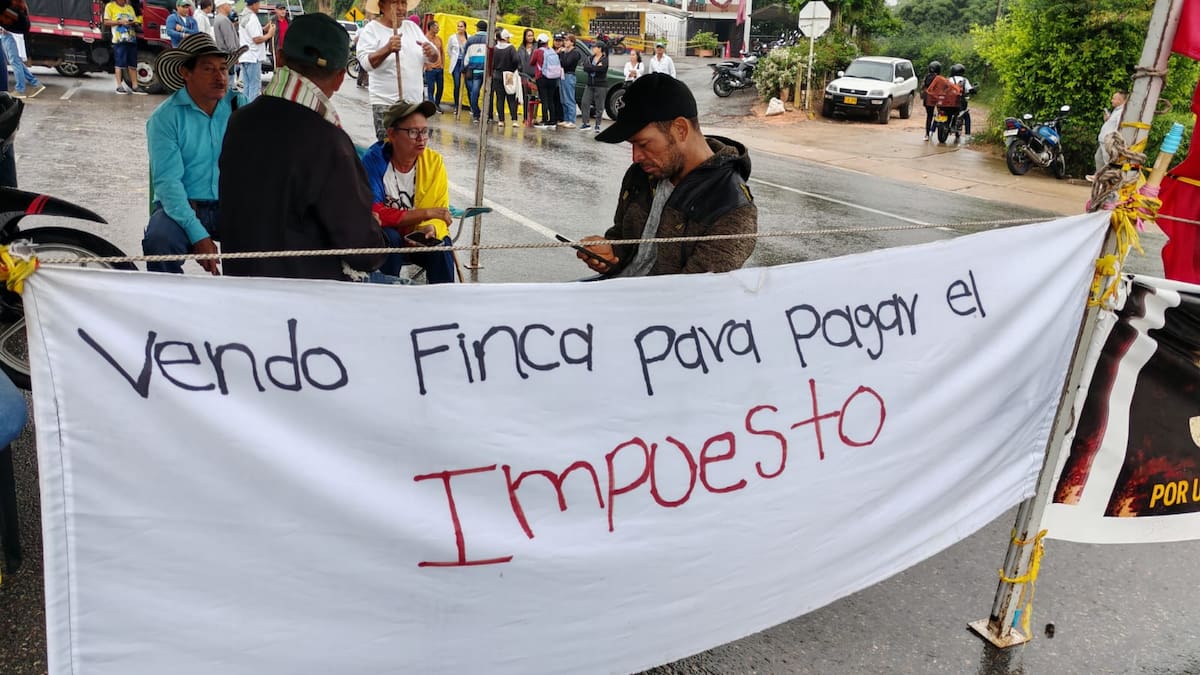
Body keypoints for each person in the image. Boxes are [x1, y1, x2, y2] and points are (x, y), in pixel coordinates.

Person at [220, 13, 387, 280]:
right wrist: (376, 233)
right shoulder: (330, 141)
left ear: (281, 57)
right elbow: (363, 249)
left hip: (241, 286)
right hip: (303, 301)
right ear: (341, 77)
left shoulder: (239, 120)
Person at [580, 73, 757, 277]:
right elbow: (623, 241)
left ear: (680, 129)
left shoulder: (732, 206)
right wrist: (610, 255)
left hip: (660, 305)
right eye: (632, 145)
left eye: (643, 144)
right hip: (614, 290)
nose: (636, 157)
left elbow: (692, 295)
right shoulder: (640, 174)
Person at [141, 33, 248, 275]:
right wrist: (198, 234)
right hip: (183, 206)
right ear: (185, 73)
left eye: (223, 68)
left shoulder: (239, 106)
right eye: (208, 69)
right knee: (159, 242)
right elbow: (168, 183)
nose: (220, 76)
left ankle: (246, 303)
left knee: (269, 237)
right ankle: (168, 307)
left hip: (231, 206)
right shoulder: (165, 118)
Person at [361, 99, 457, 283]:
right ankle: (389, 297)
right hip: (386, 240)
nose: (421, 139)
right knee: (391, 237)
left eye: (425, 131)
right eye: (413, 132)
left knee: (442, 245)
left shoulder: (434, 163)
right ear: (392, 134)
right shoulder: (374, 160)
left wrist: (431, 228)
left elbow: (441, 211)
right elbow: (374, 212)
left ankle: (445, 301)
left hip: (418, 237)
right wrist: (425, 213)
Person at [356, 0, 437, 139]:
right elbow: (366, 64)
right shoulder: (372, 30)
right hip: (386, 105)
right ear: (381, 6)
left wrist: (432, 53)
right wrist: (387, 49)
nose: (400, 8)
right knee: (388, 150)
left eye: (403, 3)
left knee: (414, 150)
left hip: (414, 104)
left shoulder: (412, 27)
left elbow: (433, 58)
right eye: (395, 2)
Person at [103, 0, 146, 94]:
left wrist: (132, 22)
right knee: (119, 63)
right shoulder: (110, 6)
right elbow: (106, 22)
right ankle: (119, 86)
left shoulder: (129, 8)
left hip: (131, 39)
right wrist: (119, 22)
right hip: (119, 40)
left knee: (133, 64)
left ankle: (135, 86)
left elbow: (135, 20)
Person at [238, 0, 273, 101]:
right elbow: (256, 39)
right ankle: (250, 111)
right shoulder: (252, 17)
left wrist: (263, 29)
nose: (259, 6)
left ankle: (244, 108)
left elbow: (250, 33)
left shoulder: (244, 15)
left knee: (247, 86)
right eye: (258, 4)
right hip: (253, 57)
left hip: (245, 56)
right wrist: (269, 35)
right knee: (254, 86)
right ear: (253, 4)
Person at [1091, 90, 1128, 180]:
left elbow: (1119, 127)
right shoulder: (1116, 110)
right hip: (1103, 140)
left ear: (1120, 100)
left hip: (1109, 141)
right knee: (1098, 158)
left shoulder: (1121, 112)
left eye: (1114, 99)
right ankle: (1099, 176)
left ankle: (1109, 179)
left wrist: (1114, 140)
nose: (1112, 100)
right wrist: (1107, 119)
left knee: (1108, 161)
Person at [530, 32, 562, 129]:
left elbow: (532, 62)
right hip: (553, 78)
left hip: (542, 78)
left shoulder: (538, 51)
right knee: (551, 100)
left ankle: (544, 120)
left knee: (544, 100)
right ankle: (552, 121)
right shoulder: (552, 50)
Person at [0, 28, 42, 99]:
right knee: (17, 62)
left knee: (15, 62)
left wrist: (5, 28)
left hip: (9, 35)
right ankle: (35, 83)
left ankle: (20, 90)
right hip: (9, 35)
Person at [460, 18, 488, 122]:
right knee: (487, 94)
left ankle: (476, 114)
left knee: (474, 93)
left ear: (477, 28)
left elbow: (465, 56)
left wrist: (463, 69)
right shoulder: (490, 40)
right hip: (486, 71)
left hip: (474, 70)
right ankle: (488, 116)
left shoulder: (470, 40)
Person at [490, 28, 518, 126]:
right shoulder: (511, 48)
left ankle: (501, 120)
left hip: (497, 75)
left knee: (500, 98)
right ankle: (514, 120)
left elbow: (491, 63)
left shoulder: (495, 48)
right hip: (509, 75)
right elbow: (516, 60)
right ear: (506, 38)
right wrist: (512, 69)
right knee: (511, 97)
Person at [579, 40, 607, 133]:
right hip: (590, 84)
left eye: (595, 47)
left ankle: (598, 124)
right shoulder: (590, 58)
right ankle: (585, 123)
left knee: (599, 105)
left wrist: (592, 68)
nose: (593, 49)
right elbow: (585, 67)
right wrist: (594, 67)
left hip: (600, 85)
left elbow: (602, 69)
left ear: (599, 49)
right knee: (584, 102)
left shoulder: (604, 59)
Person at [212, 0, 238, 90]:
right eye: (229, 5)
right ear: (223, 6)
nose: (230, 7)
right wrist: (235, 55)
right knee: (229, 84)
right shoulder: (224, 20)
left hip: (222, 54)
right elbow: (229, 40)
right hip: (228, 56)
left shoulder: (217, 18)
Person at [557, 33, 580, 128]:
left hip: (569, 75)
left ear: (572, 42)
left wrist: (561, 53)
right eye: (564, 40)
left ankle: (572, 120)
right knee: (563, 99)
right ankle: (566, 119)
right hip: (562, 75)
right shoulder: (566, 52)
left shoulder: (575, 53)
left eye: (567, 40)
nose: (564, 42)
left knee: (569, 98)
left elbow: (566, 63)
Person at [516, 27, 537, 123]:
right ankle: (525, 118)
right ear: (525, 37)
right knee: (524, 97)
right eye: (528, 35)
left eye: (532, 35)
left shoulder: (537, 47)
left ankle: (533, 117)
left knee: (535, 98)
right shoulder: (520, 49)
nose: (530, 37)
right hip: (523, 76)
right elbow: (517, 62)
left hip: (535, 77)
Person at [446, 19, 467, 112]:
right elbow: (449, 50)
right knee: (457, 84)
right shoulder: (452, 37)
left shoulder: (469, 37)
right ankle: (456, 105)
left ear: (465, 28)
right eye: (458, 26)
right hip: (456, 64)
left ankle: (468, 106)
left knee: (467, 85)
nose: (459, 28)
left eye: (461, 26)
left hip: (465, 63)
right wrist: (453, 58)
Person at [947, 63, 973, 138]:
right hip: (960, 104)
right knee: (966, 116)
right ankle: (968, 135)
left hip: (948, 103)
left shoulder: (949, 79)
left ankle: (931, 131)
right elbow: (970, 89)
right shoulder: (965, 80)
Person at [423, 19, 443, 106]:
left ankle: (437, 104)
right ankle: (432, 106)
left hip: (439, 68)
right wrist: (427, 66)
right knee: (431, 89)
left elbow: (442, 52)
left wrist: (442, 65)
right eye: (436, 27)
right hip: (430, 68)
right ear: (431, 28)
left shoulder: (439, 39)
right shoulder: (424, 39)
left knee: (440, 88)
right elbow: (422, 53)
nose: (438, 29)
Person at [920, 61, 940, 141]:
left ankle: (927, 134)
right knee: (940, 114)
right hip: (938, 98)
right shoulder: (939, 78)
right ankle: (933, 130)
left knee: (929, 116)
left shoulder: (926, 77)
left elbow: (922, 87)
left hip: (928, 99)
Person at [271, 3, 289, 68]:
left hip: (287, 51)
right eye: (280, 9)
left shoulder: (289, 21)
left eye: (284, 9)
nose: (283, 11)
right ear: (276, 10)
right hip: (277, 50)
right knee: (278, 69)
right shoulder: (272, 21)